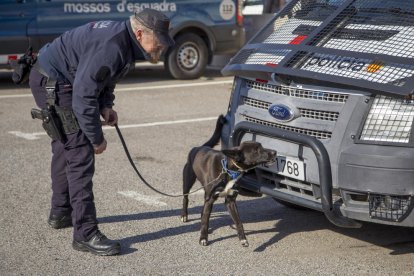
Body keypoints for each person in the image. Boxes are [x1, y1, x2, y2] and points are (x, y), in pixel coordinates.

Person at [28, 9, 174, 256]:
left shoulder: (125, 41)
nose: (161, 47)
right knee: (79, 153)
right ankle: (84, 233)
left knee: (65, 147)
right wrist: (95, 138)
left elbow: (105, 77)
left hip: (60, 79)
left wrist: (107, 105)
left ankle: (61, 212)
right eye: (158, 41)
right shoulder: (113, 45)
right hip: (53, 82)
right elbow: (83, 97)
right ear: (140, 33)